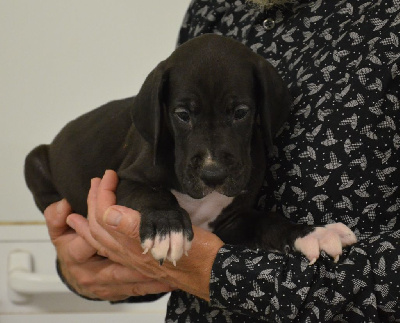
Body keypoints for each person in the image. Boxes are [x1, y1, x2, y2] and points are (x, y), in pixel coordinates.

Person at [43, 0, 400, 321]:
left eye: (239, 113)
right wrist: (87, 273)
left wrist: (218, 270)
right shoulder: (214, 8)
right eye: (185, 116)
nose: (211, 162)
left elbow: (227, 234)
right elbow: (174, 254)